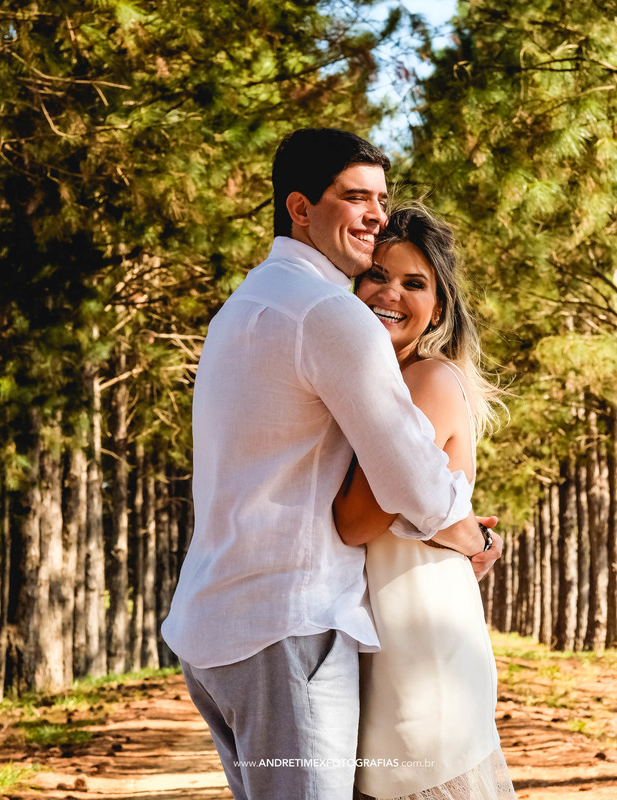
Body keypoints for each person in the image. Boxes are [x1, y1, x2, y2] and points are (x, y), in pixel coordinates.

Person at [161, 128, 501, 800]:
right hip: (289, 625)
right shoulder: (328, 315)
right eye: (355, 197)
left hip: (219, 632)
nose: (375, 214)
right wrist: (473, 536)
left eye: (380, 197)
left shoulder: (246, 304)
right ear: (299, 207)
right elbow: (407, 481)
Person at [334, 206, 516, 800]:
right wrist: (467, 532)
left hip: (421, 645)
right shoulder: (370, 384)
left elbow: (356, 520)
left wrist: (469, 535)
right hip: (379, 638)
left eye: (415, 284)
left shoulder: (427, 382)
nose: (391, 293)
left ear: (436, 309)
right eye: (377, 276)